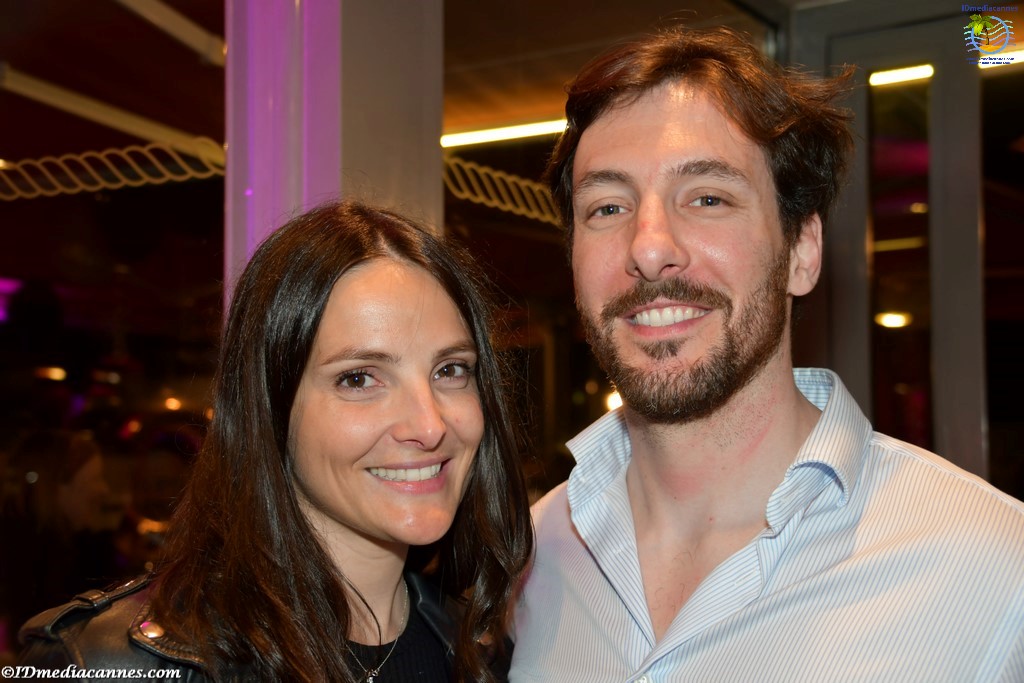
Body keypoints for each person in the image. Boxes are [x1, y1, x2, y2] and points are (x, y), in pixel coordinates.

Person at [510, 26, 1024, 682]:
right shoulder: (530, 565)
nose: (649, 246)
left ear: (802, 251)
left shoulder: (993, 569)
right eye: (607, 207)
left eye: (707, 198)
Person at [19, 200, 533, 682]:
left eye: (450, 370)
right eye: (359, 378)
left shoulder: (485, 654)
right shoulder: (108, 664)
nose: (430, 424)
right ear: (270, 408)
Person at [0, 429, 116, 658]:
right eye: (95, 479)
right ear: (60, 486)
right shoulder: (36, 560)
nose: (104, 490)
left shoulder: (59, 549)